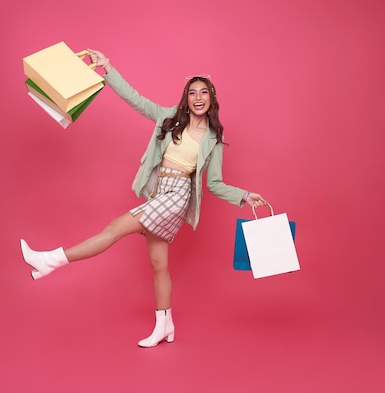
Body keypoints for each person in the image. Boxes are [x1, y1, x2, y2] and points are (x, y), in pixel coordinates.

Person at [20, 49, 267, 348]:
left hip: (177, 197)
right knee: (158, 263)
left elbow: (213, 184)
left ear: (212, 98)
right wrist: (108, 68)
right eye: (193, 92)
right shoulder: (168, 117)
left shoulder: (214, 138)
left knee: (113, 229)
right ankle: (165, 325)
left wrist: (244, 196)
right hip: (159, 191)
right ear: (186, 98)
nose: (198, 97)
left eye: (204, 92)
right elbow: (135, 99)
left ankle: (51, 260)